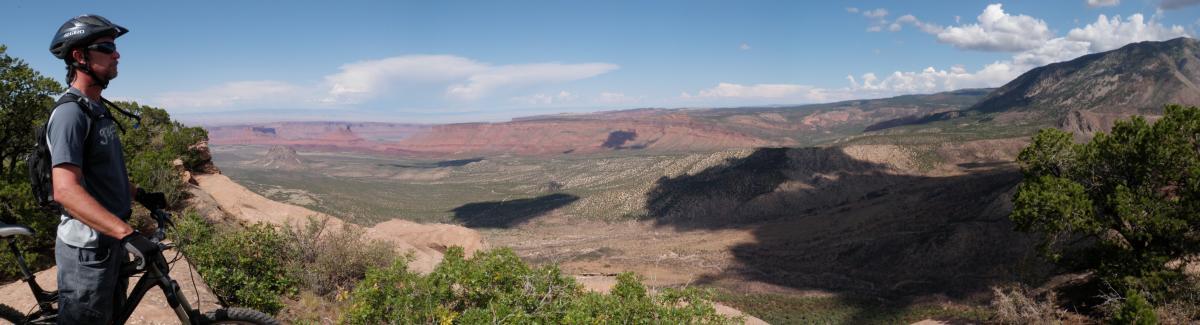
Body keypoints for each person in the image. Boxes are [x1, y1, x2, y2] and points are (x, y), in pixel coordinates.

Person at [46, 14, 166, 324]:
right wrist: (128, 233)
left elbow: (103, 174)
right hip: (87, 253)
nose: (117, 54)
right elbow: (65, 189)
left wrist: (141, 195)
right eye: (107, 47)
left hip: (110, 242)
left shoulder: (97, 109)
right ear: (79, 56)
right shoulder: (70, 114)